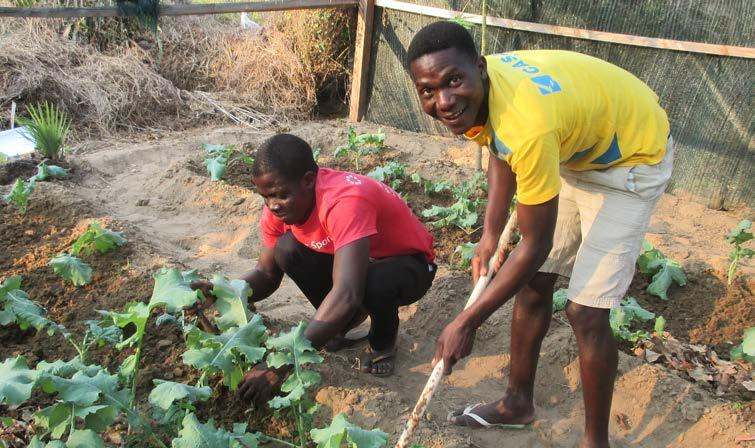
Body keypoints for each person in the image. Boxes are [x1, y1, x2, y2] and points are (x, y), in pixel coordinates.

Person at [407, 21, 673, 448]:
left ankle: (594, 443)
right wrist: (490, 235)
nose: (444, 101)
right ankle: (517, 403)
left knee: (586, 312)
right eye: (427, 90)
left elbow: (536, 243)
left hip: (631, 160)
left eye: (453, 81)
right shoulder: (484, 91)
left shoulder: (526, 123)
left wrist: (467, 321)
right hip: (577, 152)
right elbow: (499, 147)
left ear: (479, 67)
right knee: (534, 282)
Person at [192, 133, 437, 404]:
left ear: (309, 180)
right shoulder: (278, 208)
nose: (272, 205)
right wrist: (220, 292)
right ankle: (342, 323)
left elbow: (347, 293)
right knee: (287, 249)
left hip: (409, 266)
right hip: (357, 262)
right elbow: (266, 274)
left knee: (373, 283)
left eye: (280, 195)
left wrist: (283, 363)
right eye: (265, 197)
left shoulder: (345, 201)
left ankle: (384, 342)